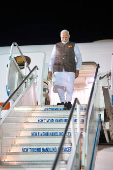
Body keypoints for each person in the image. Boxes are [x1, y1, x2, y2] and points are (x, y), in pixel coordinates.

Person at [48, 30, 82, 109]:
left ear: (69, 36)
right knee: (58, 85)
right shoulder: (56, 45)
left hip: (70, 69)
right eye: (63, 37)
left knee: (70, 86)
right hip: (58, 69)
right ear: (60, 37)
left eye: (66, 37)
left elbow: (79, 58)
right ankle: (62, 101)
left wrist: (77, 69)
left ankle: (68, 101)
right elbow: (52, 58)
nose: (64, 38)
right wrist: (50, 70)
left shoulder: (73, 45)